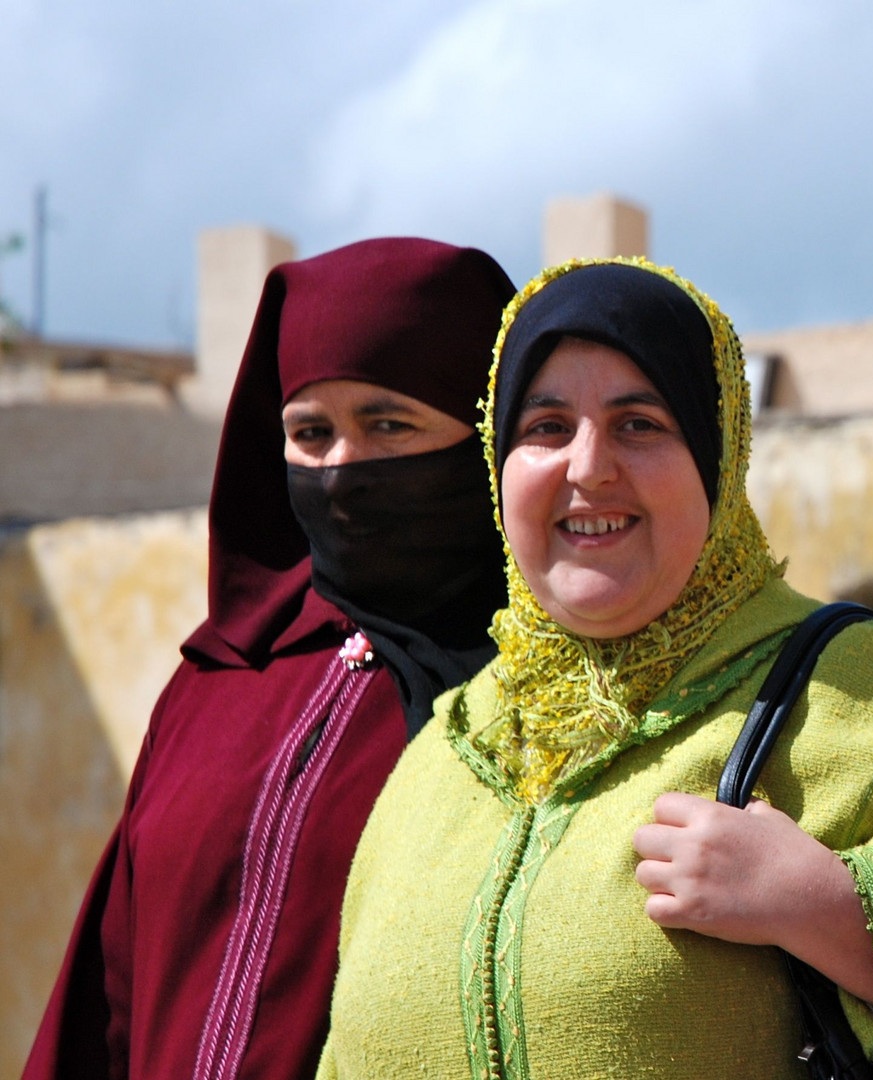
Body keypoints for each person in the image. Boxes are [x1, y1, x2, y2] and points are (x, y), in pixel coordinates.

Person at [316, 258, 873, 1079]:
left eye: (638, 424)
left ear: (717, 454)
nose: (588, 466)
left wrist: (840, 910)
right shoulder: (443, 757)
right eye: (546, 427)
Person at [24, 238, 516, 1079]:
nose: (342, 469)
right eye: (310, 432)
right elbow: (109, 993)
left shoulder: (537, 695)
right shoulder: (216, 687)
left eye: (388, 423)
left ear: (484, 440)